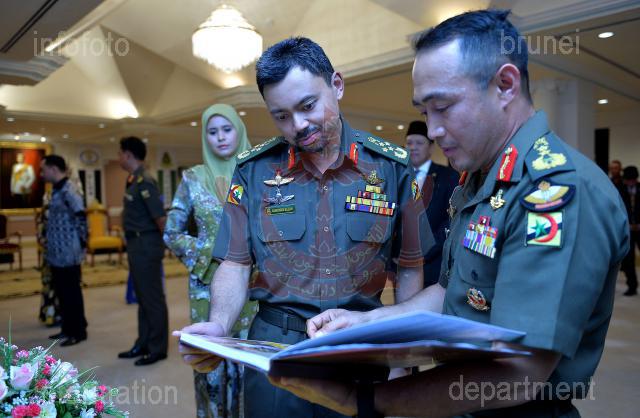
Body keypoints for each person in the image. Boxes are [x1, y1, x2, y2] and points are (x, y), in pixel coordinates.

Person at [268, 10, 629, 417]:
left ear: (505, 85)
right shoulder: (482, 178)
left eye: (443, 107)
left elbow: (520, 374)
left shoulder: (555, 191)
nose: (432, 130)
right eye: (425, 112)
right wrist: (368, 322)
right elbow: (452, 293)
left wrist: (363, 401)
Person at [175, 37, 433, 418]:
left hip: (360, 348)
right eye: (281, 115)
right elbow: (235, 263)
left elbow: (409, 265)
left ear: (337, 85)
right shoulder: (253, 171)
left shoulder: (390, 167)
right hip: (276, 352)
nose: (297, 125)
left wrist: (402, 358)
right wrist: (219, 324)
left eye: (308, 106)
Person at [164, 104, 258, 417]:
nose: (220, 137)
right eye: (212, 131)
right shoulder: (193, 178)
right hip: (205, 284)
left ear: (239, 130)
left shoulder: (256, 174)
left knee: (249, 362)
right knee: (210, 364)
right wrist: (211, 253)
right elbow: (172, 232)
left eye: (227, 129)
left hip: (252, 283)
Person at [117, 136, 169, 366]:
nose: (119, 157)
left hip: (146, 245)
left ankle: (158, 348)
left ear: (128, 154)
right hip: (137, 244)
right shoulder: (133, 179)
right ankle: (144, 342)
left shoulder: (145, 181)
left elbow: (160, 218)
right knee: (142, 296)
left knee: (152, 298)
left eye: (120, 153)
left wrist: (165, 245)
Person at [41, 155, 88, 346]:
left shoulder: (70, 190)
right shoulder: (56, 189)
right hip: (56, 253)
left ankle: (78, 332)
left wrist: (83, 246)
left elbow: (81, 218)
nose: (42, 174)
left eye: (44, 169)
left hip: (69, 252)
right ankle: (67, 329)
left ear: (53, 169)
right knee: (61, 292)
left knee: (71, 293)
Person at [405, 120, 459, 287]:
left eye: (419, 143)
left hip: (434, 265)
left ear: (430, 147)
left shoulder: (448, 176)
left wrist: (424, 250)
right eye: (409, 143)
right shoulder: (398, 175)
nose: (413, 147)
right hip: (401, 265)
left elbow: (451, 219)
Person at [620, 165, 640, 296]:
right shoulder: (620, 189)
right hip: (628, 230)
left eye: (632, 180)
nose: (629, 182)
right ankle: (632, 286)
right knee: (628, 259)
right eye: (627, 180)